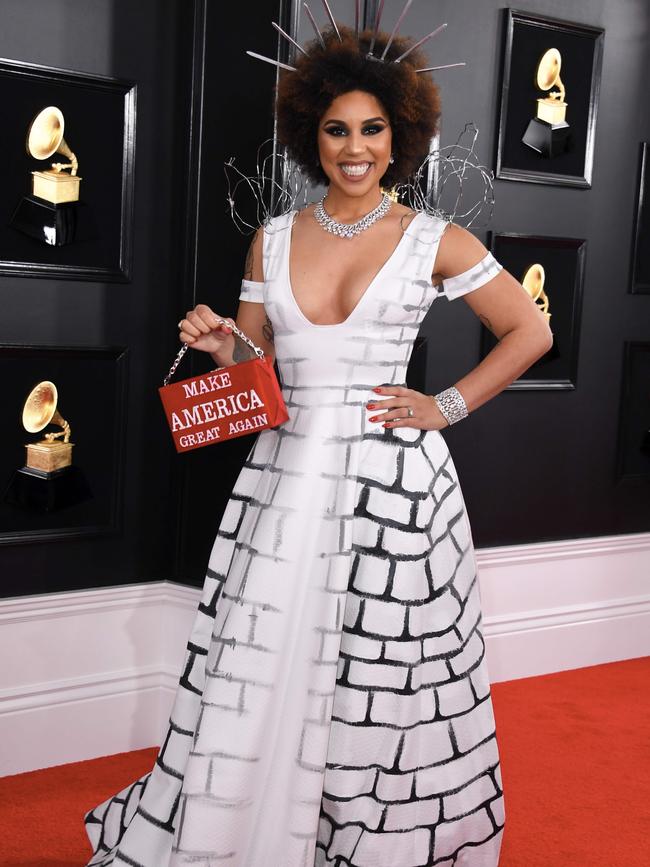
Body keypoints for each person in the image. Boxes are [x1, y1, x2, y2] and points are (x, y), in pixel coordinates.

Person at [84, 19, 553, 867]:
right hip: (287, 473)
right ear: (312, 134)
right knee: (262, 652)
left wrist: (444, 404)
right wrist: (226, 346)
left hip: (397, 487)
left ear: (400, 135)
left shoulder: (433, 239)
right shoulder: (270, 237)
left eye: (373, 129)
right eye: (338, 128)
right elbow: (257, 374)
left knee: (387, 672)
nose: (355, 147)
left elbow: (529, 331)